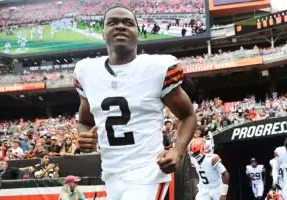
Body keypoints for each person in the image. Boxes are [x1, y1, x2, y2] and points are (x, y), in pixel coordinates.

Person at [75, 6, 197, 200]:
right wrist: (84, 137)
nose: (121, 27)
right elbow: (85, 121)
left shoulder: (156, 68)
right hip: (111, 174)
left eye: (128, 23)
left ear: (138, 33)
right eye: (113, 22)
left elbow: (188, 115)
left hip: (147, 171)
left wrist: (177, 151)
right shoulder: (87, 72)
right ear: (103, 31)